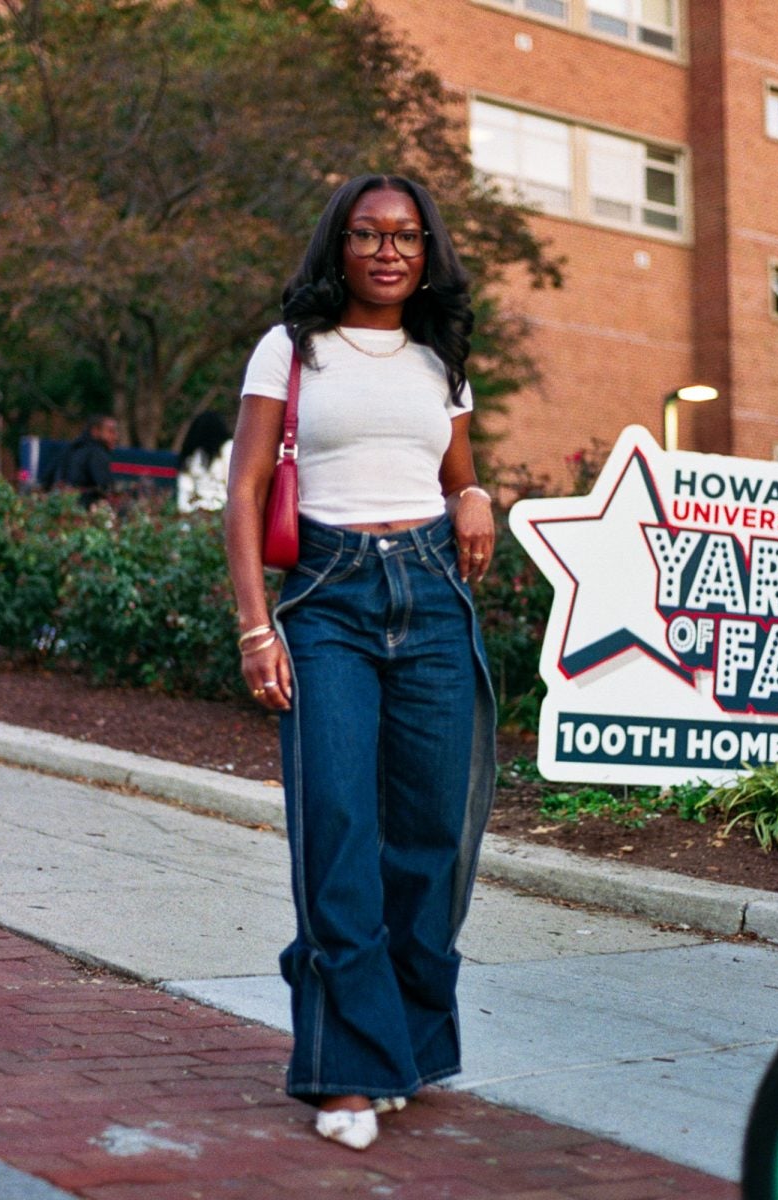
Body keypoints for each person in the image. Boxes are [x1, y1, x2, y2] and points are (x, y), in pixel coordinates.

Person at [225, 174, 496, 1151]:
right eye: (367, 234)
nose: (388, 250)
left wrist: (472, 500)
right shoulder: (289, 349)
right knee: (337, 828)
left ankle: (406, 1049)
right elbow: (245, 488)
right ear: (336, 246)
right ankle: (346, 1066)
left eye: (407, 236)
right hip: (327, 601)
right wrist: (257, 628)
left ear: (427, 252)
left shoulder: (439, 358)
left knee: (428, 839)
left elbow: (455, 471)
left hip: (428, 595)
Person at [44, 414, 119, 509]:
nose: (115, 437)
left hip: (58, 508)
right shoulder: (97, 452)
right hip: (83, 511)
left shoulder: (70, 449)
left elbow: (46, 480)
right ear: (95, 431)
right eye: (111, 432)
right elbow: (106, 487)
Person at [176, 412, 233, 513]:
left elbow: (184, 491)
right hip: (202, 513)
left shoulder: (227, 449)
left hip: (214, 512)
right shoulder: (192, 454)